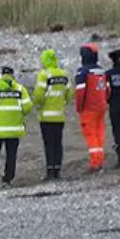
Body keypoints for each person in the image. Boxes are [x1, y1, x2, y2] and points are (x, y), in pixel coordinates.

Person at [0, 66, 33, 188]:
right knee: (11, 156)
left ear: (2, 75)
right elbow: (28, 107)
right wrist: (19, 115)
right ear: (13, 76)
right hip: (14, 129)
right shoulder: (20, 90)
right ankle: (7, 180)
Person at [33, 49, 73, 180]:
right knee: (58, 143)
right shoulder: (64, 74)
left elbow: (39, 95)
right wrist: (62, 103)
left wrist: (38, 105)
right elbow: (69, 93)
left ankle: (50, 171)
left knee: (49, 144)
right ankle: (57, 170)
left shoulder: (44, 75)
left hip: (46, 116)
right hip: (59, 115)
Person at [75, 44, 108, 173]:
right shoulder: (101, 70)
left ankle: (95, 163)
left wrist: (79, 107)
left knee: (90, 134)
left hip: (88, 108)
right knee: (99, 133)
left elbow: (80, 92)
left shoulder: (83, 72)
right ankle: (99, 160)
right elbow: (107, 89)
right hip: (101, 106)